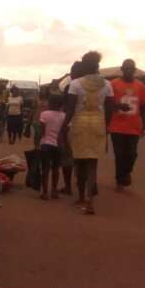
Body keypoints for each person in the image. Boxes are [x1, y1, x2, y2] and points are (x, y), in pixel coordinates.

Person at [62, 51, 114, 215]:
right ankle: (90, 201)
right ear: (98, 66)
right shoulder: (107, 85)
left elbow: (70, 110)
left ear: (84, 66)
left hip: (79, 124)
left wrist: (63, 127)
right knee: (92, 165)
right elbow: (109, 108)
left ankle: (81, 196)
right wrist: (106, 127)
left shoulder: (75, 84)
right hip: (98, 124)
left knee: (79, 162)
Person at [109, 59, 145, 191]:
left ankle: (126, 173)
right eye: (126, 68)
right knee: (119, 155)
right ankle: (119, 180)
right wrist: (118, 106)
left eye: (131, 69)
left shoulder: (140, 86)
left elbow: (143, 106)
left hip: (134, 126)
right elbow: (106, 104)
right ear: (122, 69)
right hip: (116, 125)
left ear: (134, 70)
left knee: (132, 154)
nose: (128, 71)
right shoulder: (113, 84)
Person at [58, 62, 84, 194]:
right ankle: (82, 187)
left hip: (71, 125)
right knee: (83, 159)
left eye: (72, 72)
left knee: (67, 157)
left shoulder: (71, 86)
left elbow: (67, 108)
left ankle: (68, 187)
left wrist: (63, 127)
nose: (71, 74)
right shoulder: (93, 87)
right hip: (87, 126)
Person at [38, 93, 67, 200]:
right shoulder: (64, 115)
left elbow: (41, 131)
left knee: (45, 169)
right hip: (58, 145)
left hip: (46, 144)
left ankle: (45, 192)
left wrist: (38, 144)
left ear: (50, 102)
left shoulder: (44, 114)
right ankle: (54, 191)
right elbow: (65, 132)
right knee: (56, 169)